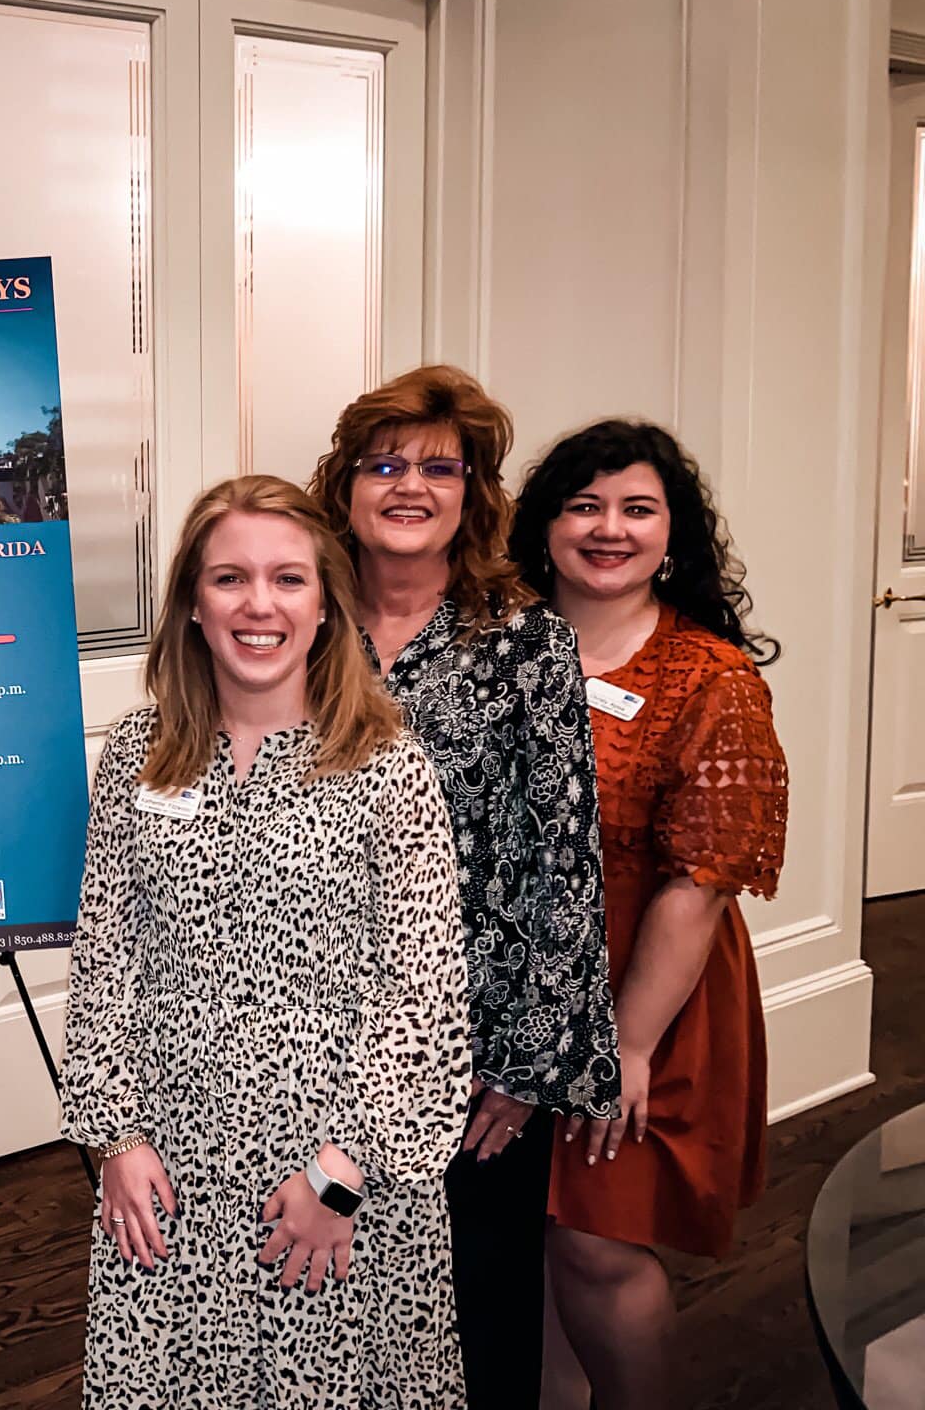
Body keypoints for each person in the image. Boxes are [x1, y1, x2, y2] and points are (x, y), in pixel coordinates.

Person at [60, 474, 472, 1410]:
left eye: (288, 580)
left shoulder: (386, 766)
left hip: (343, 1165)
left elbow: (427, 998)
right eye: (229, 579)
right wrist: (117, 1138)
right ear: (192, 607)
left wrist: (340, 1178)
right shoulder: (138, 753)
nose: (259, 605)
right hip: (170, 1160)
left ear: (326, 606)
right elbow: (105, 957)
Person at [309, 366, 619, 1407]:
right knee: (324, 1285)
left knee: (473, 1304)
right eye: (383, 463)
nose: (409, 485)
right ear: (343, 486)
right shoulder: (295, 628)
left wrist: (528, 1066)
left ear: (471, 491)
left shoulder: (527, 645)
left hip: (474, 1041)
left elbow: (563, 861)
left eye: (437, 467)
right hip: (310, 1019)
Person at [509, 420, 788, 1410]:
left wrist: (623, 1047)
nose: (607, 529)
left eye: (635, 509)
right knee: (529, 1227)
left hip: (643, 986)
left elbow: (700, 879)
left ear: (670, 536)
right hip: (509, 984)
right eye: (582, 505)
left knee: (592, 1238)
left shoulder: (707, 676)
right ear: (542, 524)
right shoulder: (496, 644)